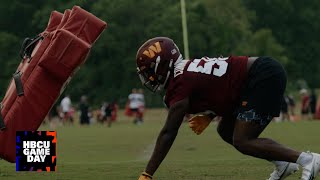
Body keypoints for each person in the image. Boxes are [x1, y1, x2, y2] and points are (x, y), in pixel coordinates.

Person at [135, 37, 320, 180]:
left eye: (149, 71)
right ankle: (283, 164)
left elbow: (169, 132)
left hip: (261, 76)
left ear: (163, 65)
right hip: (258, 75)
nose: (149, 78)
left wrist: (147, 173)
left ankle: (307, 159)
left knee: (243, 139)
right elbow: (222, 86)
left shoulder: (179, 82)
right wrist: (210, 114)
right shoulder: (185, 71)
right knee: (225, 130)